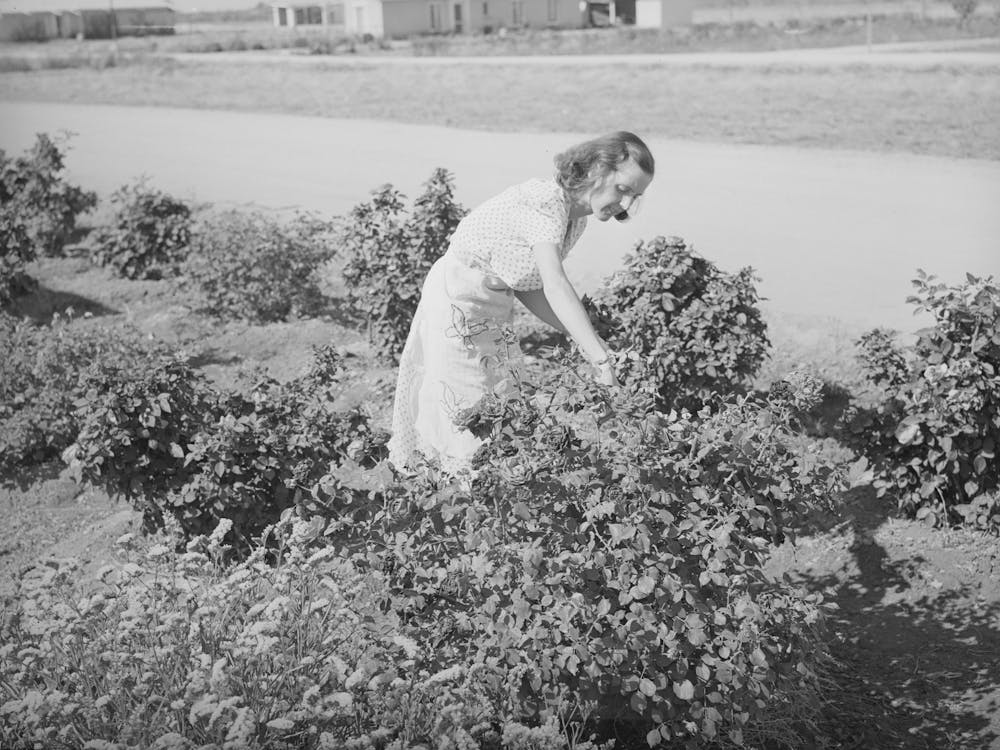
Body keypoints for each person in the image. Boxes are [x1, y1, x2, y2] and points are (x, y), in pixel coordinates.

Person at [387, 131, 655, 474]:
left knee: (500, 398)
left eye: (635, 196)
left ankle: (483, 489)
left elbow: (531, 286)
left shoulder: (576, 219)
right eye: (623, 189)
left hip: (491, 305)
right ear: (597, 171)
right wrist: (600, 358)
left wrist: (588, 338)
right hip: (458, 297)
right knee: (468, 401)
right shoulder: (546, 201)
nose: (626, 203)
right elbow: (556, 284)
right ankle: (457, 489)